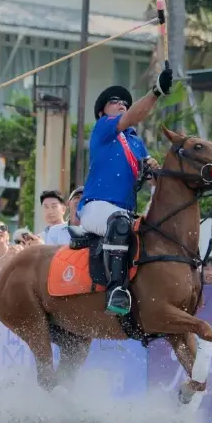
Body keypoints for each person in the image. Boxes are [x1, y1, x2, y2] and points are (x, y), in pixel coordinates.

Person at [78, 65, 173, 315]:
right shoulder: (103, 128)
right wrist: (157, 91)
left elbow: (154, 184)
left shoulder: (136, 142)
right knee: (119, 223)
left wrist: (154, 170)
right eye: (114, 101)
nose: (121, 104)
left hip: (126, 213)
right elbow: (132, 117)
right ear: (102, 111)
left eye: (125, 102)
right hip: (96, 208)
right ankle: (116, 293)